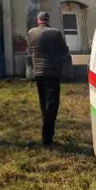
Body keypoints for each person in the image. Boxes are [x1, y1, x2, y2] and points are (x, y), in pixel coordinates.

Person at [27, 11, 70, 145]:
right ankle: (47, 136)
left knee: (43, 102)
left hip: (39, 73)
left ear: (38, 20)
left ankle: (48, 131)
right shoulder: (55, 33)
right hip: (53, 72)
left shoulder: (31, 33)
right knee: (52, 104)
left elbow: (31, 50)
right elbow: (64, 50)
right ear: (48, 20)